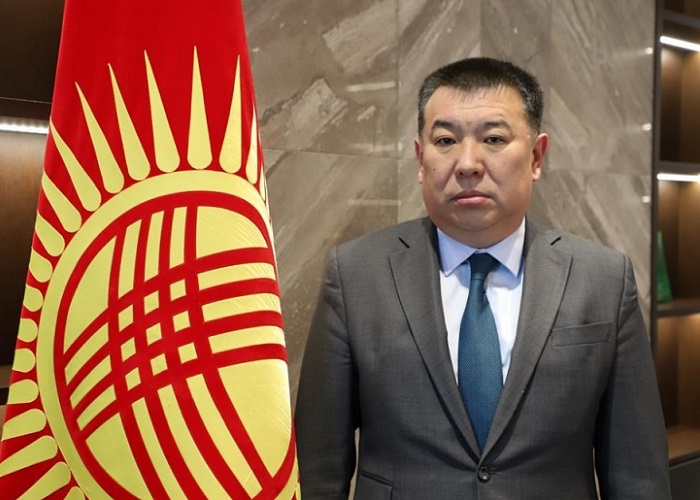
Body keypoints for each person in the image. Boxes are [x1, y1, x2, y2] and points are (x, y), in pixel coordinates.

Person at [294, 57, 671, 500]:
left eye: (493, 139)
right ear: (420, 158)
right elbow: (318, 469)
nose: (467, 163)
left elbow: (637, 474)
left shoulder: (603, 279)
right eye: (445, 140)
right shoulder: (355, 274)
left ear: (536, 156)